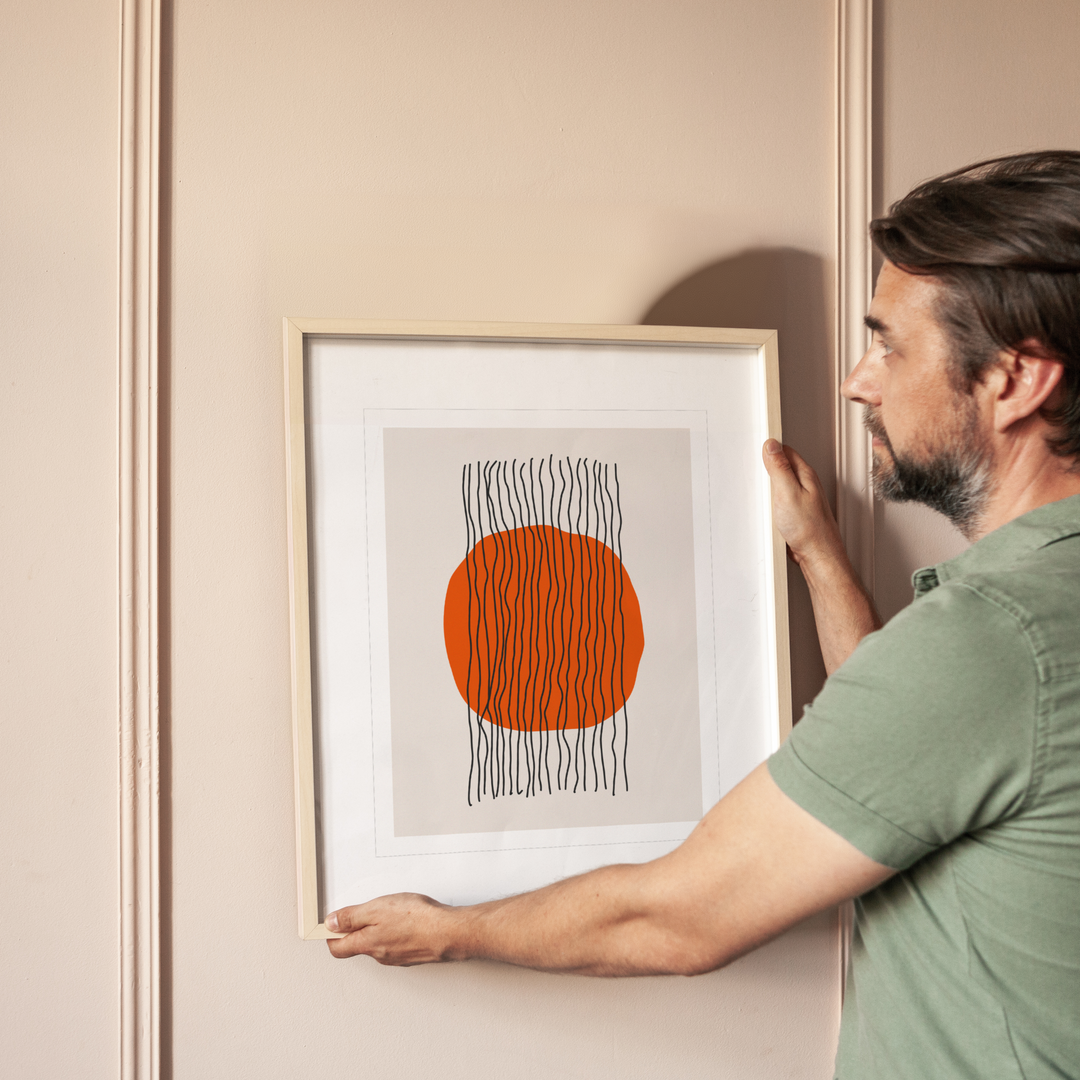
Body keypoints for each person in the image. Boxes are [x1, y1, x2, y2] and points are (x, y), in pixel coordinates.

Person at [326, 152, 1080, 1079]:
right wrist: (817, 554)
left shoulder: (992, 639)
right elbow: (909, 755)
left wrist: (453, 929)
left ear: (1017, 379)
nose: (859, 380)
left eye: (890, 345)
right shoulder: (1025, 632)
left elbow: (677, 918)